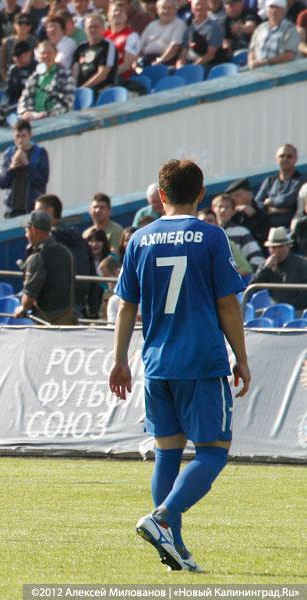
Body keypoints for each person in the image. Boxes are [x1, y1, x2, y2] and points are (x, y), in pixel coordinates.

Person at [109, 159, 249, 574]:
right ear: (201, 193)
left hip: (156, 363)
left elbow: (125, 306)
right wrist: (241, 357)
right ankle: (163, 518)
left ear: (161, 195)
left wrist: (119, 360)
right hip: (200, 361)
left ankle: (176, 549)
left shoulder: (140, 239)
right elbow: (227, 302)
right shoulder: (211, 235)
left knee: (167, 454)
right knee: (213, 452)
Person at [36, 193, 100, 318]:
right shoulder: (79, 239)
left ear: (49, 211)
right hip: (79, 305)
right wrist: (93, 307)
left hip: (53, 307)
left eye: (38, 211)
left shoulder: (49, 242)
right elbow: (92, 273)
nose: (34, 215)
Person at [10, 210, 77, 324]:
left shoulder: (37, 257)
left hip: (47, 322)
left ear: (34, 230)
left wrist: (23, 308)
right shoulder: (66, 252)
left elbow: (29, 298)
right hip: (68, 318)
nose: (26, 235)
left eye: (26, 231)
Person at [0, 119, 50, 219]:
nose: (20, 140)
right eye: (17, 136)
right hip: (11, 211)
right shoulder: (8, 154)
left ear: (30, 135)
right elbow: (1, 183)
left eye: (23, 136)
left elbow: (42, 181)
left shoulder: (40, 153)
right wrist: (11, 168)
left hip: (32, 210)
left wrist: (27, 164)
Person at [16, 40, 75, 122]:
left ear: (56, 54)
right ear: (38, 56)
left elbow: (67, 103)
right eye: (43, 53)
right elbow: (24, 97)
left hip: (56, 120)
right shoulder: (35, 76)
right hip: (33, 119)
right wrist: (25, 112)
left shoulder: (65, 75)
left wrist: (47, 115)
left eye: (49, 53)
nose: (46, 55)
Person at [251, 226, 307, 309]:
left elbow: (304, 298)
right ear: (269, 249)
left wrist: (282, 307)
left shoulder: (302, 265)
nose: (277, 251)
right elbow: (252, 290)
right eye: (273, 247)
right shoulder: (265, 266)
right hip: (270, 310)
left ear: (288, 246)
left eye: (281, 246)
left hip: (296, 311)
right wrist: (266, 269)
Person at [211, 194, 265, 270]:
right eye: (220, 206)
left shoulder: (241, 232)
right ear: (213, 209)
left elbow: (258, 258)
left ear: (233, 212)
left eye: (227, 207)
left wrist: (244, 272)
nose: (223, 210)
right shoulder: (207, 232)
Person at [255, 144, 303, 229]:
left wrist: (270, 201)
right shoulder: (269, 181)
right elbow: (257, 203)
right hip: (267, 227)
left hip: (290, 228)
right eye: (282, 156)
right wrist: (268, 209)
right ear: (277, 159)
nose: (285, 159)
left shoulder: (301, 180)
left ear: (295, 159)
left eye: (289, 156)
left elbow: (287, 201)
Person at [72, 14, 117, 92]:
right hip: (81, 91)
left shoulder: (107, 46)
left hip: (102, 90)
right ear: (85, 30)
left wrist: (83, 89)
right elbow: (75, 72)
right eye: (90, 27)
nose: (93, 30)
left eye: (96, 27)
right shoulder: (80, 48)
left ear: (103, 28)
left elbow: (102, 75)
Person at [248, 0, 299, 68]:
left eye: (277, 8)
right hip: (258, 69)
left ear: (284, 11)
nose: (274, 11)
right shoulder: (260, 28)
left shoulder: (290, 29)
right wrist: (251, 61)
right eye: (271, 7)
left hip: (281, 70)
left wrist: (267, 62)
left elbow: (289, 55)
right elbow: (252, 50)